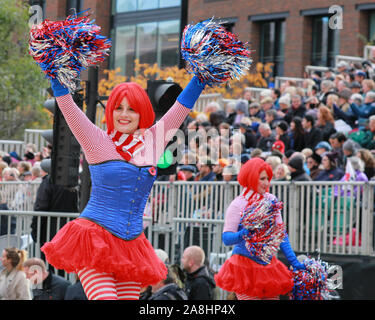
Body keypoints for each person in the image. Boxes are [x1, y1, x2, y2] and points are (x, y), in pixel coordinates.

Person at [37, 64, 207, 299]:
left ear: (142, 113)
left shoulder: (153, 141)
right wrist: (53, 68)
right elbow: (67, 106)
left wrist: (202, 76)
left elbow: (181, 107)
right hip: (94, 239)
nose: (124, 114)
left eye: (131, 109)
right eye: (118, 108)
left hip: (132, 245)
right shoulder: (97, 140)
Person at [214, 158, 305, 300]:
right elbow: (226, 239)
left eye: (268, 178)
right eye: (262, 178)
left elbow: (281, 234)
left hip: (268, 265)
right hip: (244, 267)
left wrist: (294, 261)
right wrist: (244, 233)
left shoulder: (271, 200)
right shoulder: (238, 204)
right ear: (251, 177)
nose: (267, 183)